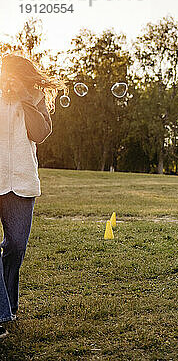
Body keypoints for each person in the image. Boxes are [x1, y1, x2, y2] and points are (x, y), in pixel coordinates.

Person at [0, 54, 64, 339]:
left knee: (15, 245)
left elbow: (39, 134)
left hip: (22, 183)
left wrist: (26, 98)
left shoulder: (36, 98)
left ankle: (8, 305)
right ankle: (1, 310)